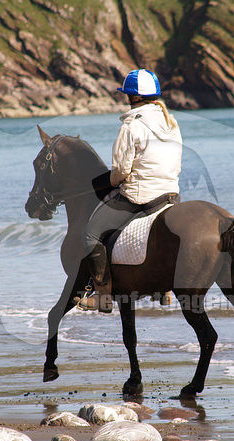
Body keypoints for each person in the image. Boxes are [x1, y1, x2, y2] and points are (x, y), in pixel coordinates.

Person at [79, 69, 182, 312]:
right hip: (170, 194)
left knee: (91, 234)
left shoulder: (131, 125)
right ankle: (165, 289)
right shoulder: (171, 121)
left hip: (142, 196)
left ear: (132, 97)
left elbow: (121, 172)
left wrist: (110, 182)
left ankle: (102, 295)